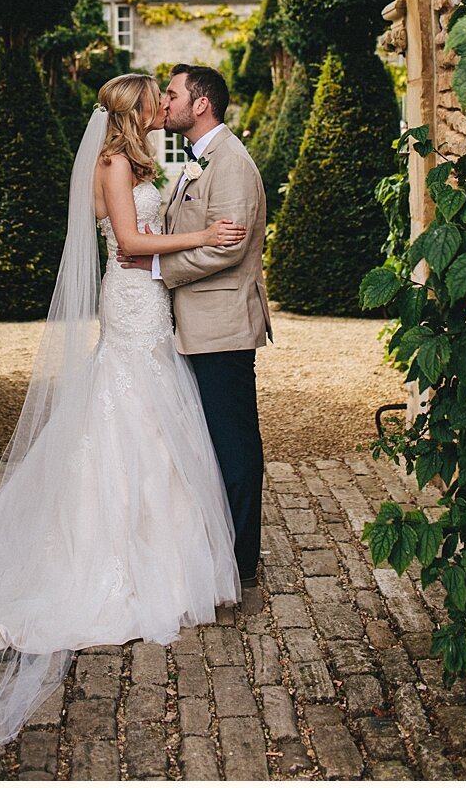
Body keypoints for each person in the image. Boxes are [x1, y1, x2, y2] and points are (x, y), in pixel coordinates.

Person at [0, 73, 247, 753]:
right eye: (154, 101)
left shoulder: (136, 162)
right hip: (133, 300)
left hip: (150, 307)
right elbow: (133, 247)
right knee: (127, 414)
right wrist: (203, 241)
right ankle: (114, 556)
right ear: (133, 112)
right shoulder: (111, 164)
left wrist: (184, 236)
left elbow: (146, 233)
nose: (163, 108)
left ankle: (157, 547)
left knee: (157, 421)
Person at [117, 63, 271, 587]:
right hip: (194, 322)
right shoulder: (197, 160)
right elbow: (196, 232)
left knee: (234, 445)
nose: (166, 103)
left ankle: (241, 561)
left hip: (222, 323)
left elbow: (227, 249)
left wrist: (155, 267)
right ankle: (218, 549)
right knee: (206, 443)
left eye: (174, 94)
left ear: (200, 103)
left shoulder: (230, 163)